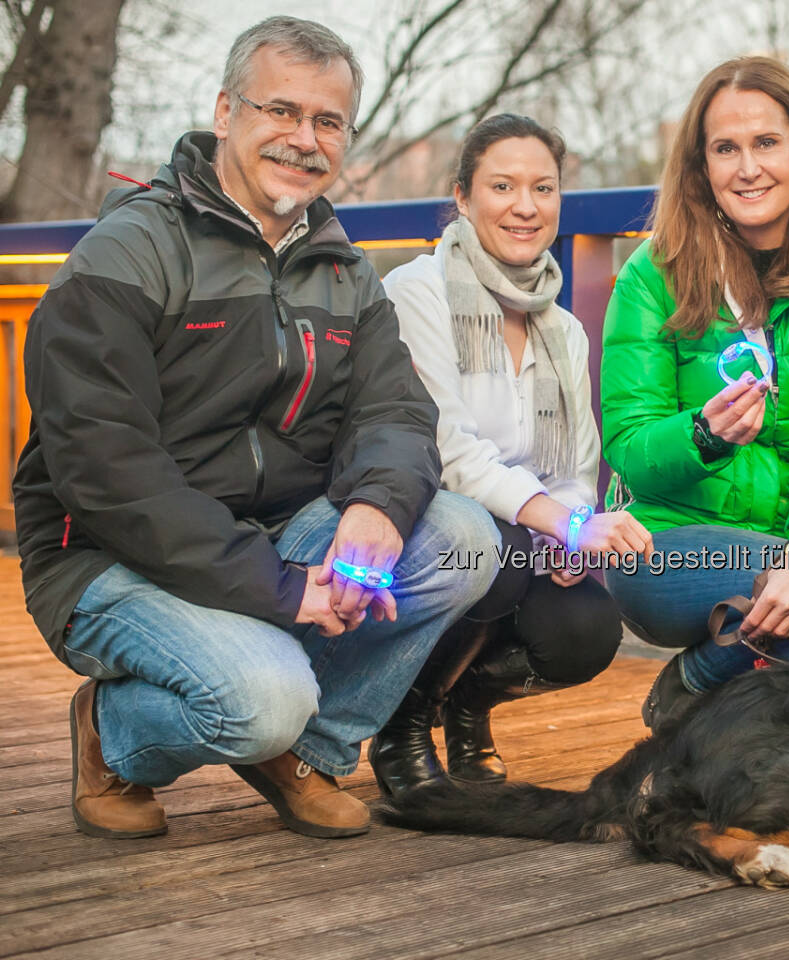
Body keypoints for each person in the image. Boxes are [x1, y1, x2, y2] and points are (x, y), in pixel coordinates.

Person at [13, 16, 501, 840]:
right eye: (281, 110)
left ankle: (299, 748)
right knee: (260, 697)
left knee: (464, 539)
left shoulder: (346, 269)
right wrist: (281, 590)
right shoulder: (128, 252)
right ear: (225, 112)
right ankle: (113, 732)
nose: (303, 139)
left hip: (272, 533)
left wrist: (377, 508)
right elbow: (105, 470)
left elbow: (396, 410)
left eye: (327, 121)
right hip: (107, 554)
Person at [600, 57, 789, 729]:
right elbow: (628, 447)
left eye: (766, 143)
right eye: (725, 149)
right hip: (666, 545)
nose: (747, 167)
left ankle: (723, 690)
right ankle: (696, 677)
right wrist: (701, 435)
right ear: (701, 168)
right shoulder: (653, 273)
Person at [371, 115, 651, 799]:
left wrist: (574, 528)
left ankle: (469, 701)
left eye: (543, 188)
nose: (525, 206)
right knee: (486, 550)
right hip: (428, 524)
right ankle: (403, 721)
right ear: (463, 198)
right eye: (503, 186)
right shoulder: (419, 290)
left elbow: (578, 468)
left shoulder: (563, 326)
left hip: (524, 535)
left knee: (587, 628)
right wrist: (556, 520)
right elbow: (447, 449)